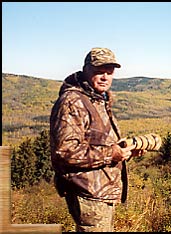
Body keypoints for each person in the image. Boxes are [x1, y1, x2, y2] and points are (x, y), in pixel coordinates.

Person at [50, 47, 146, 232]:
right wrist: (112, 153)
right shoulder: (73, 101)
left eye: (109, 72)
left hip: (100, 192)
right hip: (88, 193)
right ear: (86, 70)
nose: (105, 77)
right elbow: (65, 152)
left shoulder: (97, 99)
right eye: (98, 71)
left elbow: (98, 142)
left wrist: (125, 151)